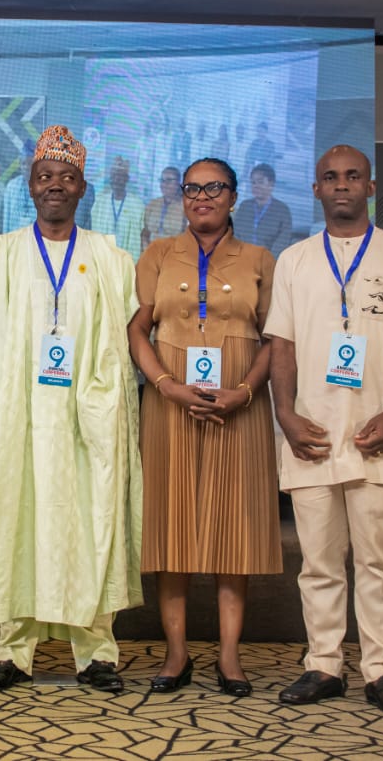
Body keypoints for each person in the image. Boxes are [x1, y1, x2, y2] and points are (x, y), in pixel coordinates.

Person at [0, 125, 143, 693]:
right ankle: (10, 650)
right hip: (17, 415)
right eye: (44, 176)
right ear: (30, 186)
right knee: (12, 518)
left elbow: (123, 338)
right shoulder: (0, 254)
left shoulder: (109, 257)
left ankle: (97, 651)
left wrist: (105, 406)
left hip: (86, 416)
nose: (54, 185)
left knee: (91, 518)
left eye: (66, 177)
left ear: (82, 187)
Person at [265, 144, 383, 715]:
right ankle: (323, 665)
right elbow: (281, 347)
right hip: (310, 435)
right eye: (330, 177)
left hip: (375, 436)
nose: (341, 184)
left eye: (353, 176)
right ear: (315, 189)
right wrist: (286, 416)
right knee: (318, 563)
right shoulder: (294, 259)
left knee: (379, 561)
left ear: (370, 186)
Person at [130, 157, 281, 697]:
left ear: (234, 197)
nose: (202, 197)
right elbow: (137, 330)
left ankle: (229, 656)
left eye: (214, 188)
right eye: (192, 189)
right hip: (169, 402)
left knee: (232, 529)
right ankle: (176, 654)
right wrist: (165, 384)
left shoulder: (260, 258)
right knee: (172, 526)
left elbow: (274, 339)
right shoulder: (157, 253)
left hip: (239, 404)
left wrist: (244, 392)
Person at [88, 155, 146, 260]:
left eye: (120, 176)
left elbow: (140, 237)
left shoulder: (137, 206)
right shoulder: (100, 202)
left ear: (127, 179)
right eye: (114, 176)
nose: (117, 180)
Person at [232, 163, 293, 259]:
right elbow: (235, 235)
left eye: (260, 182)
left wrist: (267, 262)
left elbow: (282, 243)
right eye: (253, 183)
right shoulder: (245, 206)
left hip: (269, 262)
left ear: (271, 184)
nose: (256, 186)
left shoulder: (282, 210)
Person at [140, 166, 187, 251]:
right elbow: (145, 232)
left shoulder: (185, 208)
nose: (164, 184)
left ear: (178, 184)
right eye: (162, 180)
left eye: (169, 180)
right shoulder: (153, 204)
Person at [0, 142, 37, 233]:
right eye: (24, 164)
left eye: (30, 164)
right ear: (20, 165)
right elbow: (6, 219)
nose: (26, 167)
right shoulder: (11, 186)